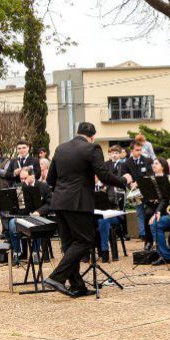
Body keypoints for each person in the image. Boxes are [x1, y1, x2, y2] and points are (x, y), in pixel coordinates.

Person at [44, 122, 130, 297]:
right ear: (92, 136)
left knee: (69, 245)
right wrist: (123, 181)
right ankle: (56, 278)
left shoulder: (61, 148)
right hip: (79, 203)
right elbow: (104, 175)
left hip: (59, 202)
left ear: (77, 133)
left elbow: (50, 179)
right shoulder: (92, 148)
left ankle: (77, 286)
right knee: (85, 240)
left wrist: (63, 190)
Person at [6, 167, 53, 265]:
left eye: (24, 178)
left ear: (32, 176)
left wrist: (39, 211)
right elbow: (15, 207)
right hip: (23, 216)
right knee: (11, 224)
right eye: (21, 179)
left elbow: (50, 203)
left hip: (38, 216)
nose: (22, 181)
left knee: (38, 223)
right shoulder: (19, 187)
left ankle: (35, 253)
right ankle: (17, 252)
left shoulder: (43, 186)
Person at [123, 140, 155, 250]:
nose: (139, 152)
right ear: (132, 150)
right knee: (139, 212)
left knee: (149, 211)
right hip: (135, 191)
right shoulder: (127, 163)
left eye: (140, 150)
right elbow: (124, 176)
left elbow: (150, 174)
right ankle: (143, 234)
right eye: (137, 150)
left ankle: (150, 233)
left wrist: (139, 182)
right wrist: (130, 183)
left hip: (146, 189)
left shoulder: (147, 160)